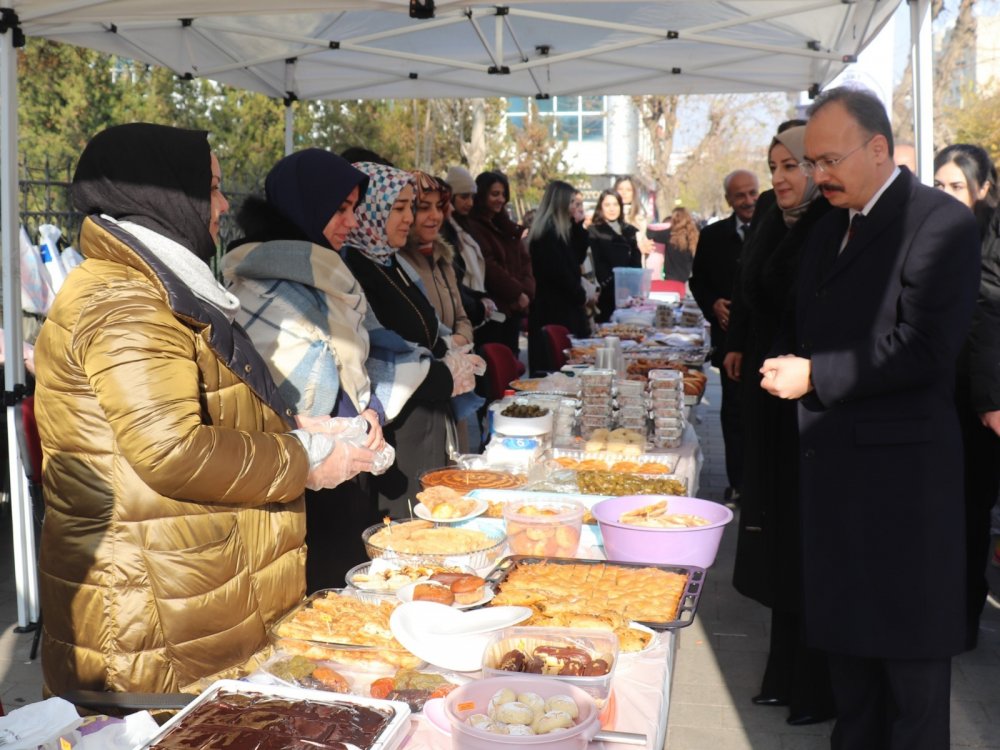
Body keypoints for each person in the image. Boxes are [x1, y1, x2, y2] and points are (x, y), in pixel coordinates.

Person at [33, 124, 372, 695]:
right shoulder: (126, 302)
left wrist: (293, 427)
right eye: (211, 187)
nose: (222, 205)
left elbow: (194, 410)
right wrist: (304, 456)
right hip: (152, 625)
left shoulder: (152, 285)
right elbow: (172, 449)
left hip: (182, 595)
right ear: (165, 196)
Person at [761, 87, 980, 749]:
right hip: (834, 482)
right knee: (850, 686)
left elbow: (925, 347)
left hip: (902, 495)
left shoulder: (939, 221)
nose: (817, 173)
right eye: (810, 160)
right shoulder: (830, 223)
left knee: (910, 692)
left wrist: (816, 375)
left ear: (879, 149)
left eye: (828, 159)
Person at [222, 148, 392, 592]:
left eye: (354, 208)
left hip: (350, 472)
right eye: (339, 209)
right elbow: (250, 393)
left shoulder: (335, 275)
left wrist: (372, 408)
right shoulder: (252, 280)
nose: (351, 221)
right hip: (296, 480)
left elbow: (359, 358)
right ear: (305, 206)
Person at [723, 129, 834, 724]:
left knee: (802, 543)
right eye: (775, 167)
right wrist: (738, 342)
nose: (783, 178)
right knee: (777, 537)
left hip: (809, 406)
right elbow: (750, 288)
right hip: (771, 397)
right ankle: (784, 669)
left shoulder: (832, 223)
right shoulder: (775, 215)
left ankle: (809, 682)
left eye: (794, 165)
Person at [343, 162, 481, 516]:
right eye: (399, 208)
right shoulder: (355, 271)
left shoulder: (390, 262)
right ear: (370, 210)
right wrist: (441, 371)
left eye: (410, 207)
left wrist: (450, 350)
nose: (408, 218)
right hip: (398, 432)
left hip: (428, 420)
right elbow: (374, 354)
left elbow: (428, 328)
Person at [933, 143, 1000, 649]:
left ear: (984, 189)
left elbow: (986, 321)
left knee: (970, 508)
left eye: (957, 186)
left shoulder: (989, 240)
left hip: (978, 403)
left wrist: (987, 399)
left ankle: (961, 616)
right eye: (940, 186)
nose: (947, 195)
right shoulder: (936, 233)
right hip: (938, 395)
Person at [689, 169, 759, 503]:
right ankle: (739, 482)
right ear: (729, 200)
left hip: (766, 340)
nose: (748, 201)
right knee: (733, 412)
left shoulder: (774, 229)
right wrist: (713, 304)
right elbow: (697, 280)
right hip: (730, 340)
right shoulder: (714, 235)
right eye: (741, 196)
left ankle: (763, 482)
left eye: (753, 193)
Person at [400, 171, 474, 347]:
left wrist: (460, 340)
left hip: (456, 365)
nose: (436, 216)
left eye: (439, 206)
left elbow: (462, 317)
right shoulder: (395, 263)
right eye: (424, 207)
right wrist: (449, 346)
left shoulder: (443, 258)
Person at [466, 171, 535, 356]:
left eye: (503, 195)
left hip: (514, 311)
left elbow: (524, 261)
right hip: (494, 313)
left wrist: (525, 292)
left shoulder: (506, 226)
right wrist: (516, 293)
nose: (500, 199)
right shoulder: (474, 227)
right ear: (482, 195)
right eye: (495, 194)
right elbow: (489, 267)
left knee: (512, 363)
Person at [526, 180, 592, 370]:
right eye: (572, 202)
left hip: (565, 310)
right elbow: (560, 274)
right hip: (554, 312)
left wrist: (579, 226)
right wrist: (581, 296)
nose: (575, 207)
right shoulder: (547, 235)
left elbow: (577, 258)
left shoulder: (564, 231)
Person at [440, 165, 497, 339]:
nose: (469, 203)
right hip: (461, 314)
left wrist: (481, 299)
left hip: (475, 309)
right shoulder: (444, 231)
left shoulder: (466, 227)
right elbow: (452, 281)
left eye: (472, 197)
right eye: (464, 197)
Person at [589, 188, 641, 323]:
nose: (612, 209)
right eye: (607, 205)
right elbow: (597, 263)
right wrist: (615, 284)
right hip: (607, 293)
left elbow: (636, 261)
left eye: (615, 204)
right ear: (601, 207)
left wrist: (633, 286)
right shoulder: (594, 231)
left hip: (630, 294)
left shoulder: (630, 231)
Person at [614, 175, 658, 277]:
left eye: (628, 190)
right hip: (615, 272)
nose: (624, 193)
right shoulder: (609, 216)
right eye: (620, 189)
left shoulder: (640, 219)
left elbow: (643, 248)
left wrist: (647, 248)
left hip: (636, 273)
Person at [662, 206, 699, 284]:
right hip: (688, 280)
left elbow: (650, 233)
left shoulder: (668, 235)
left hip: (671, 280)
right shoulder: (693, 236)